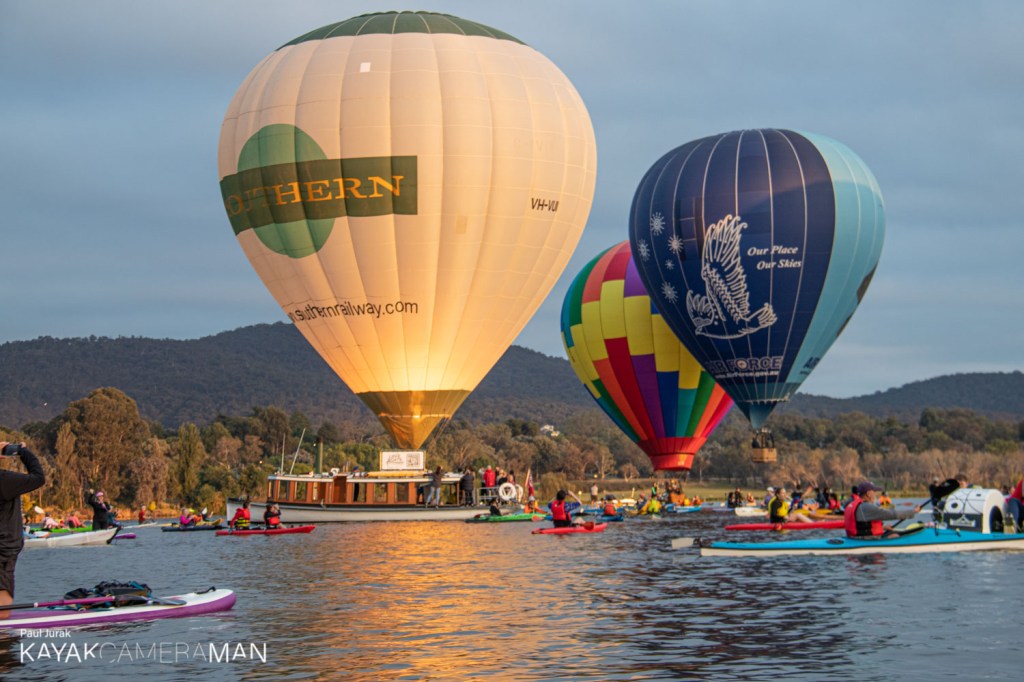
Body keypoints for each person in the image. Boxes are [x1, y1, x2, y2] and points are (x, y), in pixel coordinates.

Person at [0, 440, 46, 619]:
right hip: (4, 547)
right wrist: (23, 451)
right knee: (3, 603)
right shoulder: (4, 480)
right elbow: (38, 477)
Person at [844, 481, 921, 538]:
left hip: (857, 537)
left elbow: (862, 525)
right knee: (896, 535)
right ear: (868, 493)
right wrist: (913, 511)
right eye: (874, 492)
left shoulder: (856, 505)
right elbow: (891, 514)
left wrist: (882, 527)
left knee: (892, 532)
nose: (875, 494)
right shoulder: (867, 507)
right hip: (867, 540)